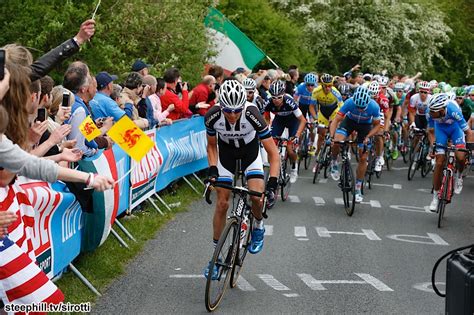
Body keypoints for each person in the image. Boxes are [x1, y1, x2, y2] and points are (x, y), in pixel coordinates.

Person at [203, 80, 280, 279]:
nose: (232, 115)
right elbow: (211, 146)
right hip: (226, 155)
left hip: (250, 153)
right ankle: (215, 257)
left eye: (236, 110)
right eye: (228, 110)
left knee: (257, 198)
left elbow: (273, 154)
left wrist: (272, 182)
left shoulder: (252, 114)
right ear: (221, 105)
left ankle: (258, 226)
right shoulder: (212, 116)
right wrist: (212, 169)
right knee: (222, 203)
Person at [329, 87, 381, 202]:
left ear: (368, 102)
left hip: (365, 127)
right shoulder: (349, 102)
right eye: (358, 107)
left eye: (362, 107)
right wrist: (332, 137)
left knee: (363, 158)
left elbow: (377, 125)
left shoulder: (374, 106)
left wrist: (368, 137)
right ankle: (334, 161)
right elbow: (336, 120)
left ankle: (357, 188)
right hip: (349, 122)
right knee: (337, 141)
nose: (360, 109)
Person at [427, 93, 472, 211]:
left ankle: (459, 176)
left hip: (456, 130)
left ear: (442, 110)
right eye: (430, 111)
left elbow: (468, 132)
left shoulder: (454, 110)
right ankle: (435, 197)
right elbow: (430, 132)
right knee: (439, 162)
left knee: (461, 157)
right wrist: (433, 147)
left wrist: (470, 148)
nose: (431, 114)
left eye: (433, 112)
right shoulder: (430, 112)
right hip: (440, 130)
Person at [264, 80, 306, 184]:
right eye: (274, 97)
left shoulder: (289, 102)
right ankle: (273, 169)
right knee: (271, 145)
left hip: (293, 121)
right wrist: (267, 129)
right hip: (279, 121)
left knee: (290, 149)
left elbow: (303, 120)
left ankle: (293, 168)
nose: (276, 100)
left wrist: (297, 135)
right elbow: (266, 118)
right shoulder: (268, 102)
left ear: (283, 94)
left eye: (279, 97)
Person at [311, 73, 343, 161]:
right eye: (325, 86)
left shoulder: (336, 92)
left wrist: (337, 120)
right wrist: (315, 118)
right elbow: (311, 106)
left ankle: (333, 157)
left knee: (332, 130)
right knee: (321, 133)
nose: (328, 88)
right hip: (322, 112)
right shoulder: (316, 91)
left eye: (330, 86)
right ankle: (318, 151)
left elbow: (342, 108)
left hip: (334, 111)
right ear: (321, 85)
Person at [294, 73, 318, 154]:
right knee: (301, 124)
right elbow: (295, 100)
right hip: (302, 105)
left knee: (312, 125)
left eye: (312, 85)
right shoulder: (300, 87)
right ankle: (299, 144)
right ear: (305, 84)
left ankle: (311, 143)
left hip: (313, 106)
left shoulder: (317, 89)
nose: (310, 87)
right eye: (308, 85)